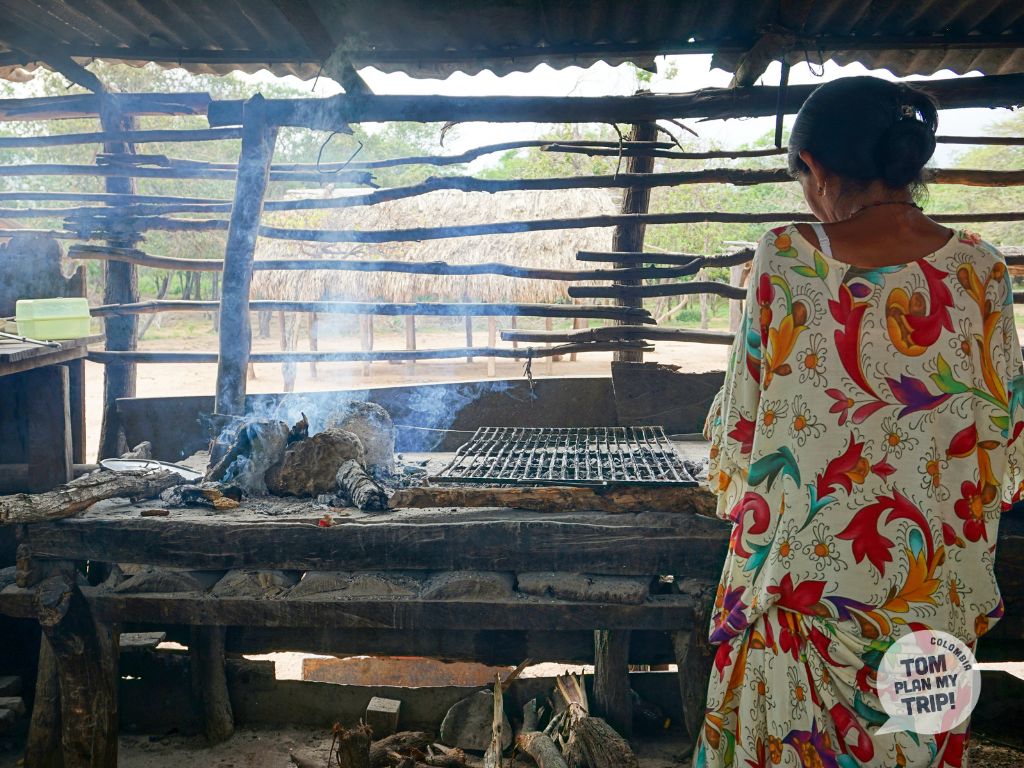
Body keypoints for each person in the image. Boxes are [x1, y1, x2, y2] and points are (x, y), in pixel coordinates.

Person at [697, 76, 1024, 768]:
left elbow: (743, 432)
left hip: (803, 602)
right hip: (934, 613)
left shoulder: (786, 255)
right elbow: (1003, 446)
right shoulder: (983, 271)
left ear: (815, 169)